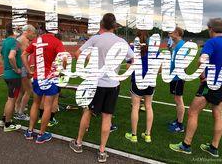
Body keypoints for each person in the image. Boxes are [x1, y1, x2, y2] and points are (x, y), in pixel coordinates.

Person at [69, 13, 134, 163]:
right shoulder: (121, 41)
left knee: (88, 111)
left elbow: (77, 53)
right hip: (112, 84)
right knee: (107, 116)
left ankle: (78, 143)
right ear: (114, 26)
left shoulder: (96, 38)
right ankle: (102, 151)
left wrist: (90, 61)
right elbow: (132, 59)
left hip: (96, 83)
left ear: (101, 25)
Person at [169, 18, 222, 157]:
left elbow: (201, 60)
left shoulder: (211, 42)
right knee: (218, 115)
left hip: (210, 84)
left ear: (211, 28)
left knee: (192, 112)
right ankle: (214, 147)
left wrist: (202, 75)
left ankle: (186, 145)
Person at [22, 29, 67, 143]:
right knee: (47, 106)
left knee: (36, 104)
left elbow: (24, 54)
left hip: (38, 76)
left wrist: (28, 70)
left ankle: (30, 131)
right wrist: (63, 69)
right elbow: (64, 58)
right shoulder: (57, 42)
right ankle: (41, 135)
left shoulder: (36, 40)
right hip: (50, 78)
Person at [125, 30, 154, 143]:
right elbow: (159, 68)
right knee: (148, 106)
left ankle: (134, 135)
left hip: (137, 80)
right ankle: (148, 135)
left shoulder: (132, 49)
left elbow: (128, 66)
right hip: (150, 81)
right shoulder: (153, 49)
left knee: (135, 107)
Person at [0, 23, 22, 132]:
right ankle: (8, 124)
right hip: (14, 75)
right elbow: (11, 56)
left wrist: (6, 67)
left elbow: (1, 56)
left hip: (7, 74)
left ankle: (5, 119)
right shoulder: (16, 42)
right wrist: (16, 69)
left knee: (10, 98)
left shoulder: (5, 42)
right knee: (12, 100)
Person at [14, 24, 36, 121]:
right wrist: (28, 69)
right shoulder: (23, 40)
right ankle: (20, 113)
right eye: (32, 33)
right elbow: (23, 56)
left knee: (22, 90)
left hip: (20, 67)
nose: (33, 35)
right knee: (29, 90)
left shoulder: (20, 39)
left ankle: (17, 109)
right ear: (27, 31)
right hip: (22, 67)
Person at [167, 27, 186, 132]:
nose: (170, 33)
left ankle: (180, 125)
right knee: (176, 99)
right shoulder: (177, 45)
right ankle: (178, 120)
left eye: (172, 32)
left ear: (177, 33)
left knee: (179, 100)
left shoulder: (181, 45)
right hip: (174, 76)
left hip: (178, 76)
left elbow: (185, 62)